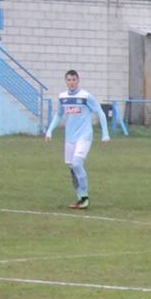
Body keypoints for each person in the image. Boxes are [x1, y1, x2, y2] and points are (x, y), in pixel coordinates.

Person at [44, 69, 110, 210]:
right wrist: (49, 130)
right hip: (70, 138)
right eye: (69, 80)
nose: (72, 82)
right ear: (66, 81)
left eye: (74, 79)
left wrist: (105, 133)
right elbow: (59, 115)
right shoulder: (62, 97)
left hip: (85, 135)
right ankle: (80, 197)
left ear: (78, 81)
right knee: (72, 168)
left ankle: (85, 197)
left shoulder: (85, 96)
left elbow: (99, 111)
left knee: (77, 163)